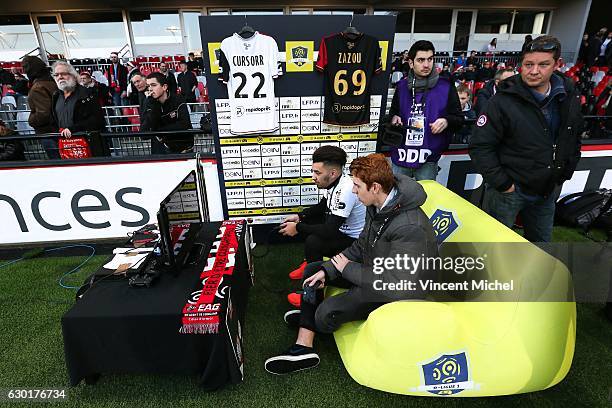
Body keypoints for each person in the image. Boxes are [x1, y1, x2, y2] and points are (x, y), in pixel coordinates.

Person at [264, 153, 438, 375]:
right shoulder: (379, 205)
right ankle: (303, 348)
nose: (354, 191)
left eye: (357, 186)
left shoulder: (410, 227)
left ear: (375, 187)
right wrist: (330, 269)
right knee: (313, 270)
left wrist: (346, 268)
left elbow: (398, 284)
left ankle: (312, 316)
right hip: (374, 270)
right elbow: (361, 245)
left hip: (398, 291)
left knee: (325, 315)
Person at [469, 35, 583, 242]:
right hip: (509, 191)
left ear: (557, 64)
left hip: (548, 190)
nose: (534, 71)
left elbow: (573, 137)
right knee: (492, 247)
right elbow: (480, 146)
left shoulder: (570, 96)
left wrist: (563, 173)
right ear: (521, 64)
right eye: (528, 64)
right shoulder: (501, 101)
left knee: (541, 247)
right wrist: (504, 184)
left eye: (543, 64)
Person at [278, 146, 365, 287]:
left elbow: (329, 230)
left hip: (354, 241)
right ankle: (310, 265)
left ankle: (312, 286)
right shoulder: (335, 182)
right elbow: (322, 206)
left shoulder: (346, 190)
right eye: (313, 171)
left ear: (332, 173)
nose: (313, 177)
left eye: (317, 173)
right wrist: (300, 216)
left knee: (314, 241)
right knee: (310, 221)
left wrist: (298, 227)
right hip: (340, 230)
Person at [388, 40, 463, 180]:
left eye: (430, 59)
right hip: (401, 156)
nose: (427, 64)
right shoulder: (402, 86)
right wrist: (394, 118)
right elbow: (394, 112)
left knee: (426, 200)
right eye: (421, 60)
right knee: (398, 200)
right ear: (411, 63)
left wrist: (446, 121)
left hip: (428, 159)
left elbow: (459, 119)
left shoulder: (446, 86)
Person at [50, 61, 105, 139]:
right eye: (56, 75)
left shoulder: (87, 93)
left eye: (64, 74)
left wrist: (72, 129)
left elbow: (97, 120)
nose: (60, 77)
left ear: (73, 76)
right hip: (65, 145)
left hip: (88, 143)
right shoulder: (56, 96)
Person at [140, 72, 192, 153]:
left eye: (153, 85)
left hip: (182, 149)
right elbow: (144, 133)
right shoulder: (149, 103)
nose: (150, 89)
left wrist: (159, 131)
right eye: (148, 86)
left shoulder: (178, 100)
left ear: (164, 87)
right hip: (160, 151)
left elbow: (184, 124)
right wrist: (152, 105)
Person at [23, 56, 59, 158]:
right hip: (56, 129)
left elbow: (43, 113)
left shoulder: (38, 87)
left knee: (57, 162)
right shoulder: (51, 82)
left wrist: (31, 120)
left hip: (47, 132)